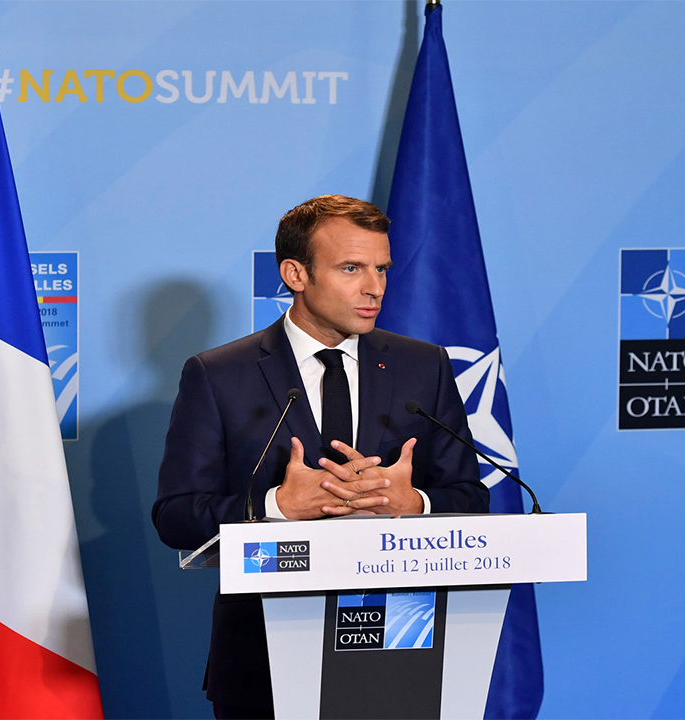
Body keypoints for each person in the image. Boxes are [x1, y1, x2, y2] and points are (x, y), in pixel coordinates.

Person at [152, 195, 488, 719]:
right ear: (296, 274)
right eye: (351, 268)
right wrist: (277, 507)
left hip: (400, 647)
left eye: (381, 268)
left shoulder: (423, 366)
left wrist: (415, 503)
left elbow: (470, 496)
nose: (374, 287)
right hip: (264, 659)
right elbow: (175, 516)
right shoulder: (219, 375)